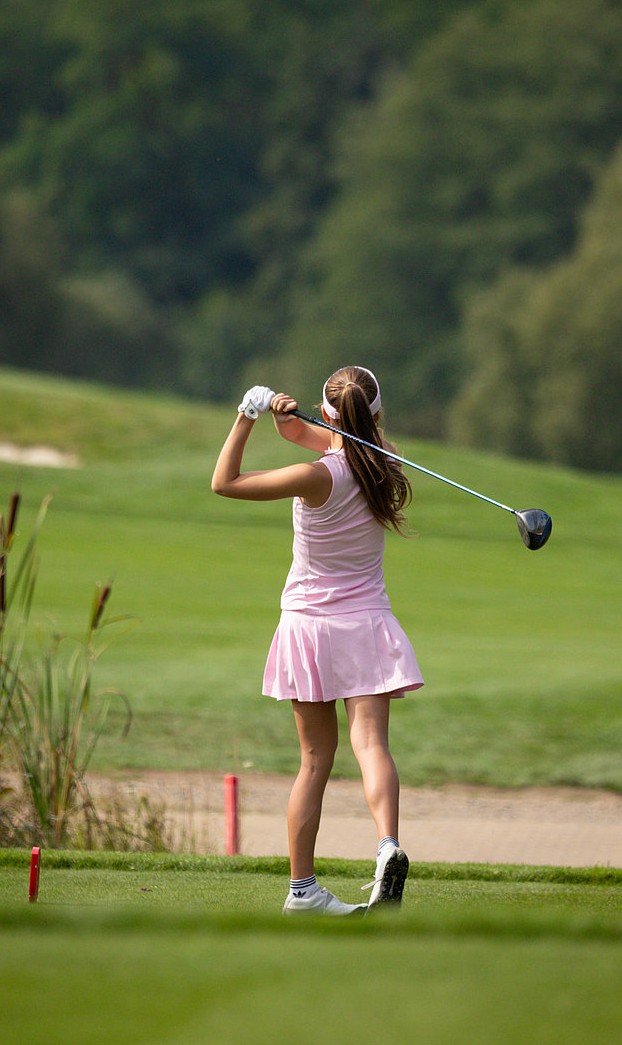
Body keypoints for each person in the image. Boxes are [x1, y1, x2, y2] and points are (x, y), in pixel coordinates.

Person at [211, 366, 424, 915]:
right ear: (377, 414)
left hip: (309, 625)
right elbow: (317, 436)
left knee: (314, 762)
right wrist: (288, 421)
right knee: (371, 745)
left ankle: (302, 889)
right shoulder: (387, 461)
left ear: (328, 414)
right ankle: (387, 845)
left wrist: (247, 414)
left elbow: (225, 483)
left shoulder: (315, 476)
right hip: (367, 623)